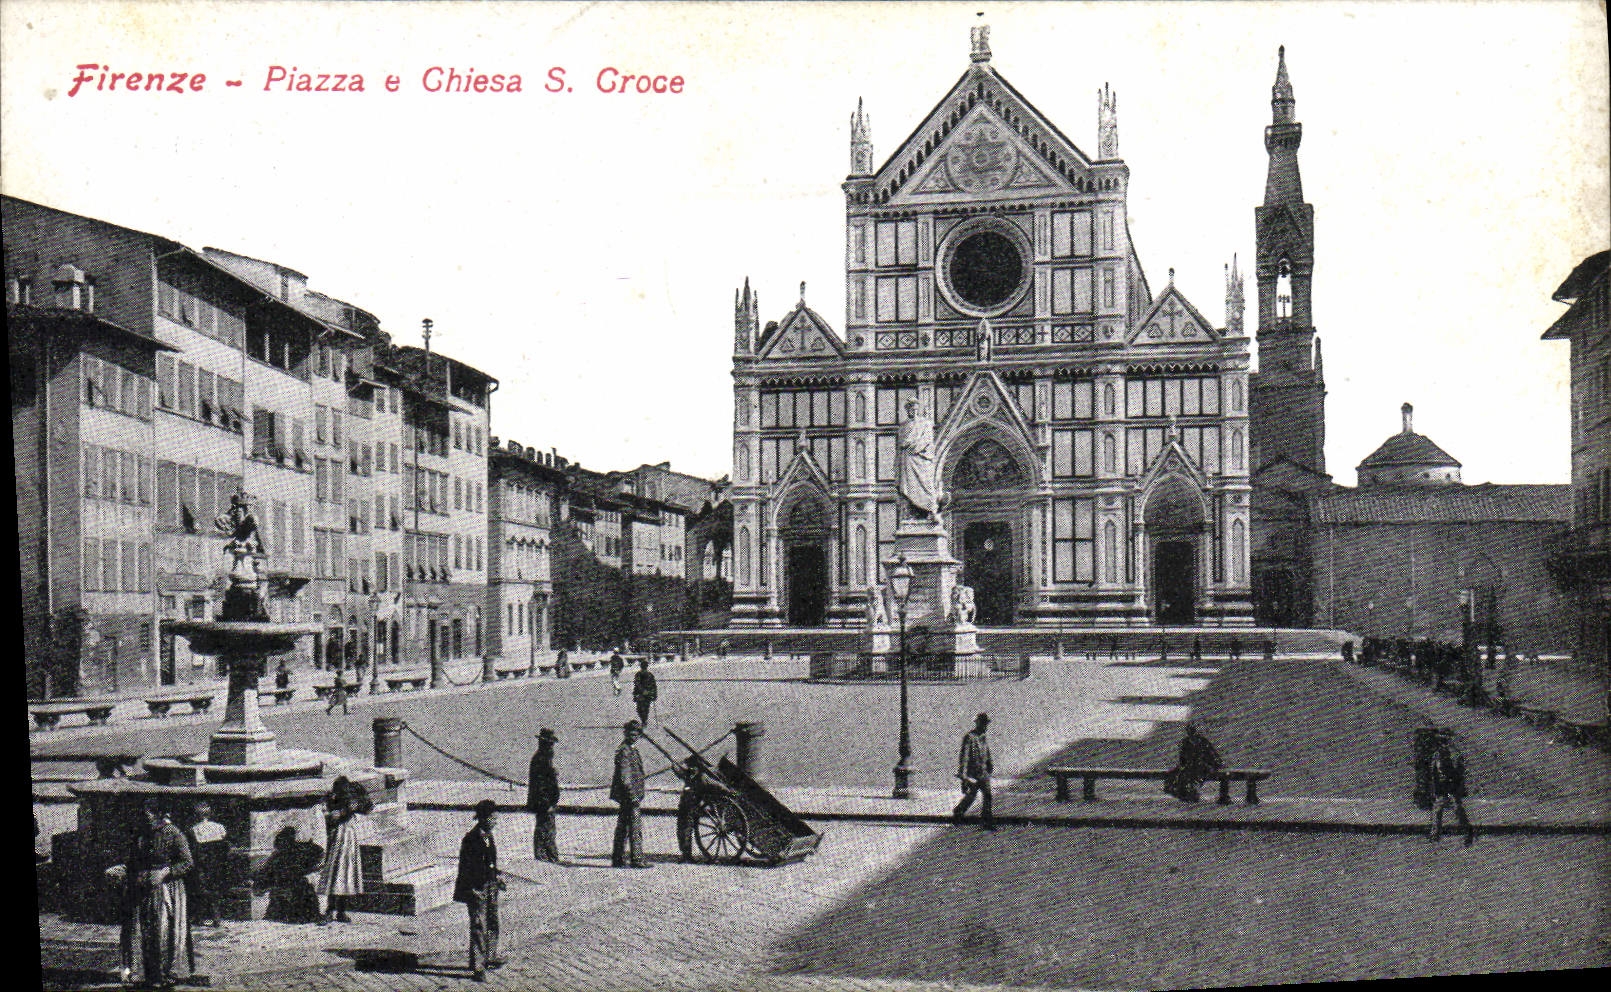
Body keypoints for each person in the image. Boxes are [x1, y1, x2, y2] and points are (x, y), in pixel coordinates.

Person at [110, 800, 193, 989]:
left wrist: (166, 872)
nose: (145, 818)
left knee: (162, 931)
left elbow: (187, 862)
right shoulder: (142, 834)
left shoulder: (174, 833)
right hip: (141, 889)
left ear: (158, 814)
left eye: (148, 814)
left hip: (165, 890)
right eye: (144, 814)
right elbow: (134, 860)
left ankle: (164, 974)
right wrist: (123, 869)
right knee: (140, 931)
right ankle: (142, 973)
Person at [453, 800, 505, 981]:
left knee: (492, 922)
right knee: (478, 925)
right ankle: (478, 966)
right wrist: (477, 887)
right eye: (493, 818)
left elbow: (490, 861)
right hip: (477, 888)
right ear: (483, 818)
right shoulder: (471, 839)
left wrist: (497, 875)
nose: (496, 821)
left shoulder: (488, 836)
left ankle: (490, 955)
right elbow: (469, 868)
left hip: (489, 886)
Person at [319, 775, 369, 924]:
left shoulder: (350, 803)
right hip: (338, 838)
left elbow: (366, 808)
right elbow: (329, 816)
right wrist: (344, 811)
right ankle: (330, 910)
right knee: (335, 874)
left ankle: (340, 910)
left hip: (348, 839)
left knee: (346, 874)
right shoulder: (330, 802)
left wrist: (354, 805)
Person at [611, 719, 651, 868]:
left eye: (636, 734)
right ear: (626, 734)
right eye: (631, 734)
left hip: (629, 796)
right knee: (634, 828)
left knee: (623, 828)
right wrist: (633, 796)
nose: (634, 736)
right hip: (630, 797)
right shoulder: (625, 751)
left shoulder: (630, 749)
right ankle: (637, 859)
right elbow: (625, 778)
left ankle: (618, 859)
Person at [185, 801, 228, 928]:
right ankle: (216, 917)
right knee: (215, 889)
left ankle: (200, 916)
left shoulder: (194, 829)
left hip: (202, 862)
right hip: (217, 862)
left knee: (201, 889)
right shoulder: (219, 827)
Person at [897, 397, 941, 522]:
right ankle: (911, 514)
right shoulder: (903, 427)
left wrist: (912, 446)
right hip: (908, 461)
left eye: (915, 409)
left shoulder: (925, 423)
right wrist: (907, 445)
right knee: (909, 488)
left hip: (922, 459)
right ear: (907, 410)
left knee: (926, 484)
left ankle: (931, 511)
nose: (913, 411)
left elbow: (927, 440)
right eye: (910, 409)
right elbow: (901, 443)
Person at [1429, 731, 1476, 846]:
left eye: (1444, 741)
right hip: (1442, 787)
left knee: (1457, 810)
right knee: (1438, 810)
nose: (1442, 744)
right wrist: (1436, 789)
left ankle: (1467, 833)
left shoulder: (1454, 754)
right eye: (1441, 742)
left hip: (1452, 787)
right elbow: (1434, 773)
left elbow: (1460, 771)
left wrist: (1456, 785)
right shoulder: (1437, 755)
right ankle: (1435, 835)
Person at [952, 713, 996, 830]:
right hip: (973, 773)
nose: (986, 726)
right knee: (972, 796)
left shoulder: (983, 737)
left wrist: (990, 765)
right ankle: (958, 812)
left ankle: (986, 822)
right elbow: (964, 756)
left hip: (983, 772)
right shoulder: (970, 737)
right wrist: (963, 774)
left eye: (986, 724)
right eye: (984, 724)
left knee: (987, 795)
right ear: (978, 723)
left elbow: (987, 752)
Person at [527, 728, 561, 863]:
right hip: (544, 802)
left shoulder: (543, 758)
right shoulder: (541, 759)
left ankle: (549, 856)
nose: (552, 746)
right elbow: (540, 785)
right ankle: (546, 857)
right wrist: (547, 804)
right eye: (550, 743)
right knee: (545, 829)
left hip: (546, 801)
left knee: (547, 829)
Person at [1166, 722, 1223, 803]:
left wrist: (1215, 765)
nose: (1191, 733)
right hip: (1190, 766)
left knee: (1191, 776)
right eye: (1190, 731)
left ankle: (1190, 792)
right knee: (1179, 776)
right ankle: (1186, 792)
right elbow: (1182, 757)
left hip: (1201, 766)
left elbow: (1212, 755)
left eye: (1192, 731)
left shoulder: (1202, 741)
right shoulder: (1186, 742)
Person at [632, 657, 658, 727]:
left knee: (640, 708)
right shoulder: (644, 675)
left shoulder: (647, 675)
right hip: (646, 694)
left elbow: (636, 685)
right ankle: (644, 720)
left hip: (643, 694)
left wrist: (635, 694)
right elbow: (654, 686)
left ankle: (644, 720)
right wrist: (654, 695)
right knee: (644, 708)